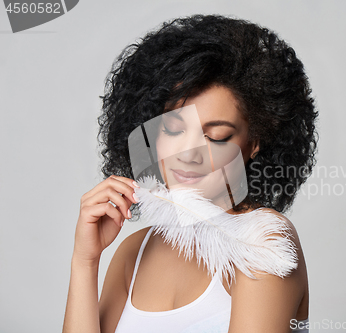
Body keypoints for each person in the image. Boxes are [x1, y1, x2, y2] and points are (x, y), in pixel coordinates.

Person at [63, 14, 318, 333]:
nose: (188, 154)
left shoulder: (263, 241)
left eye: (216, 136)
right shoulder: (135, 250)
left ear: (254, 143)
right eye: (172, 129)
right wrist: (84, 261)